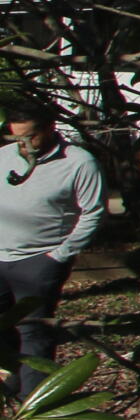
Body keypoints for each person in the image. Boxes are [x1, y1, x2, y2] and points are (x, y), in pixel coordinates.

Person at [0, 96, 105, 401]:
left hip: (38, 261)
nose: (24, 145)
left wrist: (59, 255)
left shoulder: (78, 162)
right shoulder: (5, 156)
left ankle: (35, 405)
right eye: (16, 136)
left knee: (33, 330)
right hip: (0, 256)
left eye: (30, 136)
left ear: (50, 128)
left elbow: (93, 212)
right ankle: (12, 384)